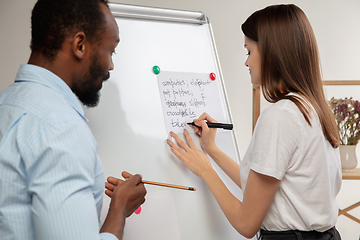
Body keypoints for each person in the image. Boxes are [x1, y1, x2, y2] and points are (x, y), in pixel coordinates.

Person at [166, 4, 342, 240]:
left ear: (272, 52)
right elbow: (259, 190)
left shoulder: (280, 117)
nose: (246, 63)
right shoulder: (312, 109)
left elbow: (246, 223)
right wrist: (212, 150)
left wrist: (206, 170)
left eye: (249, 51)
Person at [0, 0, 146, 240]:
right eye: (110, 51)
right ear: (80, 45)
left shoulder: (6, 103)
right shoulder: (61, 128)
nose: (110, 65)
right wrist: (118, 210)